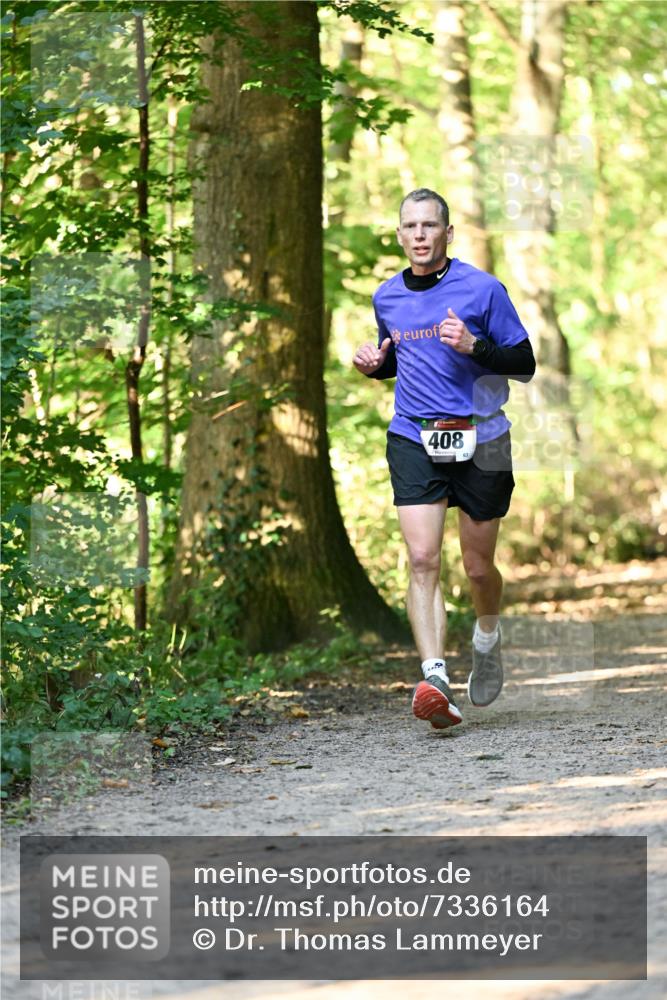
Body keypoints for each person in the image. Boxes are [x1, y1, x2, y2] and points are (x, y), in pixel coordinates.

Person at [353, 188, 535, 730]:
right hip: (414, 436)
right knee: (422, 559)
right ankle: (434, 679)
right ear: (400, 234)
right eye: (410, 226)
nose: (420, 235)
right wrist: (372, 364)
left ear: (447, 234)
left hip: (482, 438)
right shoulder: (386, 296)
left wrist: (475, 347)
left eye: (430, 226)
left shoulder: (482, 289)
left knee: (479, 568)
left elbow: (523, 363)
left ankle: (487, 636)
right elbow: (399, 358)